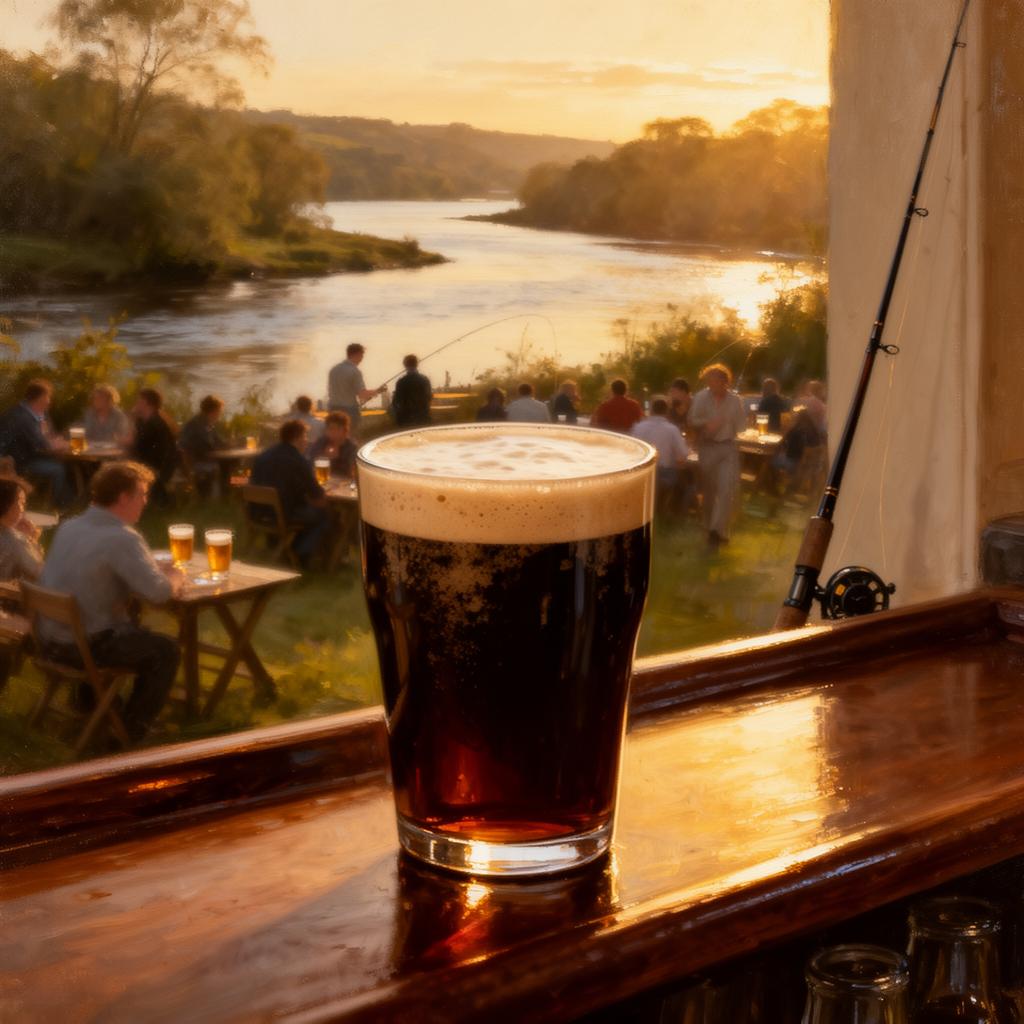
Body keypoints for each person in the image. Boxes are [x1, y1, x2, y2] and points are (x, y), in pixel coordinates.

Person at [38, 461, 184, 742]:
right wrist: (175, 577)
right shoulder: (122, 538)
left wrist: (146, 570)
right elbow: (158, 593)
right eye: (142, 494)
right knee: (165, 651)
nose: (145, 501)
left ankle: (88, 703)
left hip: (50, 642)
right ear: (123, 498)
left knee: (122, 625)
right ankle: (129, 732)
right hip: (83, 649)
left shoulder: (70, 526)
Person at [251, 420, 330, 566]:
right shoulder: (297, 460)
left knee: (307, 509)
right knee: (324, 515)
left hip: (258, 513)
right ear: (297, 438)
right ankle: (302, 554)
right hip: (283, 515)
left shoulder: (264, 455)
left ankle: (278, 545)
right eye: (305, 436)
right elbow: (318, 496)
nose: (307, 440)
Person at [689, 363, 747, 549]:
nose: (711, 384)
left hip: (728, 447)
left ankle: (716, 530)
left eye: (715, 381)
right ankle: (709, 526)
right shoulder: (700, 397)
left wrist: (735, 423)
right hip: (707, 447)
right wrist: (708, 423)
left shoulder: (735, 400)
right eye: (709, 380)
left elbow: (742, 426)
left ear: (725, 382)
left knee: (726, 490)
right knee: (709, 491)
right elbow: (692, 419)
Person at [0, 379, 73, 508]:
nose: (49, 401)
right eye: (47, 397)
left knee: (62, 462)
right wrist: (63, 445)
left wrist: (55, 440)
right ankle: (61, 505)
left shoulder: (38, 412)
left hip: (30, 455)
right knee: (58, 469)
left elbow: (50, 435)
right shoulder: (21, 416)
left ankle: (67, 500)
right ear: (39, 398)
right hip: (16, 462)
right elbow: (42, 444)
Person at [630, 398, 690, 516]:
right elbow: (683, 453)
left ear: (651, 411)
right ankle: (677, 512)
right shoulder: (672, 430)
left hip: (642, 473)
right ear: (666, 412)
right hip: (665, 473)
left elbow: (631, 451)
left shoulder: (638, 428)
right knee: (686, 481)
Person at [130, 388, 178, 506]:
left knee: (123, 469)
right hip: (151, 463)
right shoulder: (146, 420)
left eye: (139, 401)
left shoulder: (156, 423)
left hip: (159, 466)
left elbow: (138, 446)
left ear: (146, 403)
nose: (136, 403)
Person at [0, 462, 43, 583]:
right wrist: (32, 541)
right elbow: (42, 574)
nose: (23, 510)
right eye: (21, 503)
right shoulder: (16, 541)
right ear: (7, 505)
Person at [328, 343, 383, 435]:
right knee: (350, 437)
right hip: (349, 411)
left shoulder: (334, 370)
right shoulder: (354, 371)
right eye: (362, 355)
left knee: (335, 437)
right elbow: (362, 394)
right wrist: (377, 391)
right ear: (357, 354)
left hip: (333, 410)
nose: (362, 359)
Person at [178, 395, 228, 496]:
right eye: (219, 411)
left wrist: (230, 444)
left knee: (226, 466)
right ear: (213, 411)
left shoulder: (207, 423)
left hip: (203, 462)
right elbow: (184, 447)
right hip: (197, 464)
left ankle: (222, 496)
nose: (219, 414)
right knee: (223, 468)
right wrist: (188, 470)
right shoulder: (197, 424)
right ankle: (216, 498)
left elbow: (218, 441)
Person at [309, 412, 357, 479]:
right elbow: (311, 463)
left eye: (338, 429)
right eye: (330, 428)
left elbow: (352, 472)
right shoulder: (321, 442)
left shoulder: (351, 447)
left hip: (343, 482)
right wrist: (326, 457)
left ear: (345, 430)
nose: (333, 432)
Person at [391, 354, 433, 428]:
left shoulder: (401, 382)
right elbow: (429, 397)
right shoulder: (425, 380)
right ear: (417, 364)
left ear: (405, 365)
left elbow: (396, 401)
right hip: (423, 418)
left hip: (406, 420)